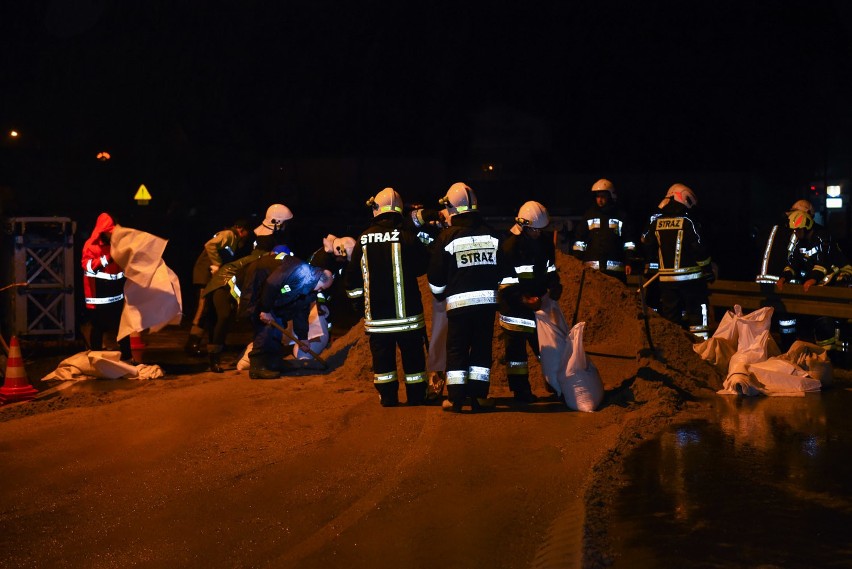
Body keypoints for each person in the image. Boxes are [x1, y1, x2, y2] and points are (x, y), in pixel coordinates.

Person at [344, 188, 431, 407]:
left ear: (376, 209)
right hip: (408, 317)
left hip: (378, 320)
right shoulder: (407, 237)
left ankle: (388, 397)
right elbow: (423, 266)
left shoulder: (363, 239)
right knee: (413, 360)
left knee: (383, 362)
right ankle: (417, 396)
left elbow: (352, 277)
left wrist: (357, 302)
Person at [427, 182, 504, 413]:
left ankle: (456, 399)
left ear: (453, 208)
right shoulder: (492, 234)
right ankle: (479, 397)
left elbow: (435, 277)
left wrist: (440, 296)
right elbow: (503, 270)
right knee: (481, 350)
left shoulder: (447, 237)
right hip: (487, 307)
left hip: (459, 307)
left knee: (457, 351)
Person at [498, 200, 562, 403]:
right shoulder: (510, 247)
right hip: (515, 309)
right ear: (523, 226)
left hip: (538, 307)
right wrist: (523, 299)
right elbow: (505, 282)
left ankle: (553, 383)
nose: (538, 234)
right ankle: (521, 392)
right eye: (535, 230)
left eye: (541, 230)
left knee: (547, 350)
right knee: (517, 358)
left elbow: (550, 268)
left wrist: (554, 284)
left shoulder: (544, 242)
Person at [641, 183, 714, 340]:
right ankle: (701, 351)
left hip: (666, 281)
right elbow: (698, 248)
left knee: (671, 319)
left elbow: (647, 243)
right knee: (697, 317)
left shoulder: (657, 223)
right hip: (692, 281)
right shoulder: (688, 222)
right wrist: (708, 269)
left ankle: (675, 351)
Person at [248, 255, 334, 379]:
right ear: (319, 280)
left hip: (275, 302)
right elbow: (272, 284)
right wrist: (265, 309)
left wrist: (303, 338)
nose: (320, 291)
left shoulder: (310, 290)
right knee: (266, 329)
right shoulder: (300, 271)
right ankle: (258, 367)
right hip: (259, 290)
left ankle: (273, 363)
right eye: (321, 288)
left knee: (277, 328)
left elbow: (301, 312)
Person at [185, 219, 252, 355]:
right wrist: (217, 264)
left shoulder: (233, 241)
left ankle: (212, 342)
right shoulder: (228, 234)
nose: (246, 236)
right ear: (241, 229)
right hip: (205, 276)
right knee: (203, 308)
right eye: (246, 233)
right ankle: (192, 343)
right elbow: (210, 245)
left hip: (213, 278)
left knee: (212, 310)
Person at [81, 212, 131, 360]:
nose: (112, 235)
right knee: (98, 326)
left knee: (122, 326)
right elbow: (87, 266)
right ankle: (95, 359)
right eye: (110, 233)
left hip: (116, 291)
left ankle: (127, 357)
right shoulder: (91, 245)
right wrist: (107, 259)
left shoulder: (117, 245)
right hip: (99, 293)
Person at [572, 178, 638, 283]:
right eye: (598, 196)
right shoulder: (589, 215)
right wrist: (577, 260)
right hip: (592, 271)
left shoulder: (620, 216)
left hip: (616, 273)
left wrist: (629, 261)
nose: (600, 200)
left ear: (611, 196)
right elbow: (580, 239)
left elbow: (629, 241)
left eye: (603, 196)